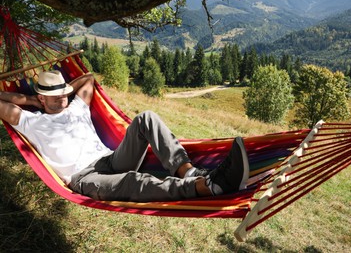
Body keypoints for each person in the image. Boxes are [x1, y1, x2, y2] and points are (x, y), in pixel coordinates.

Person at [0, 70, 249, 202]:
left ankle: (189, 172)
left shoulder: (76, 106)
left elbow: (88, 78)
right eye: (56, 96)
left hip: (110, 160)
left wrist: (61, 90)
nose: (63, 98)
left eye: (65, 92)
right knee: (132, 181)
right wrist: (29, 100)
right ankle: (208, 187)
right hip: (84, 177)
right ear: (41, 98)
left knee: (147, 118)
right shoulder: (31, 121)